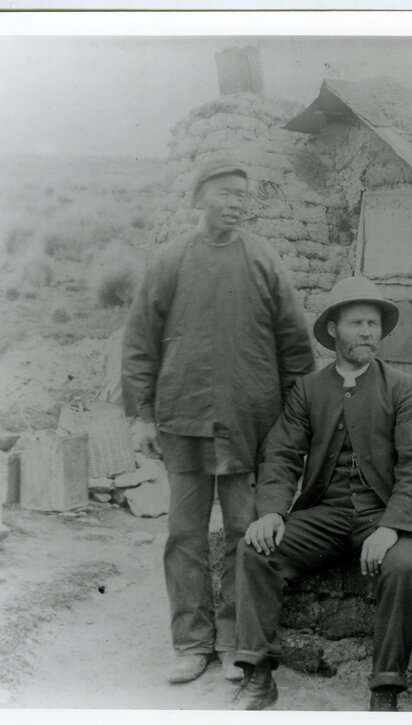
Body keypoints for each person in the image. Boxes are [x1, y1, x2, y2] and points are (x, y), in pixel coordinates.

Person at [122, 160, 316, 684]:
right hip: (181, 423)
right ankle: (190, 643)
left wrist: (294, 421)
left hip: (249, 426)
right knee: (183, 535)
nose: (236, 202)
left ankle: (236, 643)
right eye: (226, 193)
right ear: (199, 197)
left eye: (242, 195)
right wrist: (142, 416)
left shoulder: (263, 259)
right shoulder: (171, 260)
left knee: (244, 535)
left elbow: (296, 348)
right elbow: (140, 341)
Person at [232, 276, 412, 711]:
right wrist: (272, 511)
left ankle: (385, 689)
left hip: (386, 514)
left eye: (373, 323)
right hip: (326, 514)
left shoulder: (403, 389)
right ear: (333, 329)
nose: (367, 332)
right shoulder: (310, 390)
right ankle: (258, 674)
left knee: (403, 567)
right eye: (356, 323)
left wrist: (391, 527)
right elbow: (280, 455)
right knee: (254, 549)